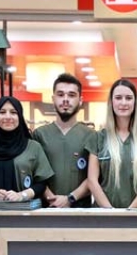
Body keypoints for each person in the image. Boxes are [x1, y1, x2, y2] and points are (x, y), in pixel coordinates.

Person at [88, 79, 137, 208]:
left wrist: (129, 212)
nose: (123, 103)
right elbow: (92, 181)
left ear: (135, 102)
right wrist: (111, 212)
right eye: (118, 98)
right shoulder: (98, 138)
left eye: (128, 98)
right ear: (111, 102)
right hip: (105, 214)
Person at [32, 73, 97, 208]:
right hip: (46, 209)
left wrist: (70, 198)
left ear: (80, 100)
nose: (65, 100)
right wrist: (51, 198)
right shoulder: (39, 135)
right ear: (53, 99)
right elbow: (34, 173)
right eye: (60, 95)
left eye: (71, 95)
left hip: (81, 210)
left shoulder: (92, 136)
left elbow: (94, 177)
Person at [0, 96, 54, 202]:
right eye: (2, 112)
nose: (8, 117)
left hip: (24, 209)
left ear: (20, 116)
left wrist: (22, 195)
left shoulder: (33, 147)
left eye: (13, 112)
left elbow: (42, 183)